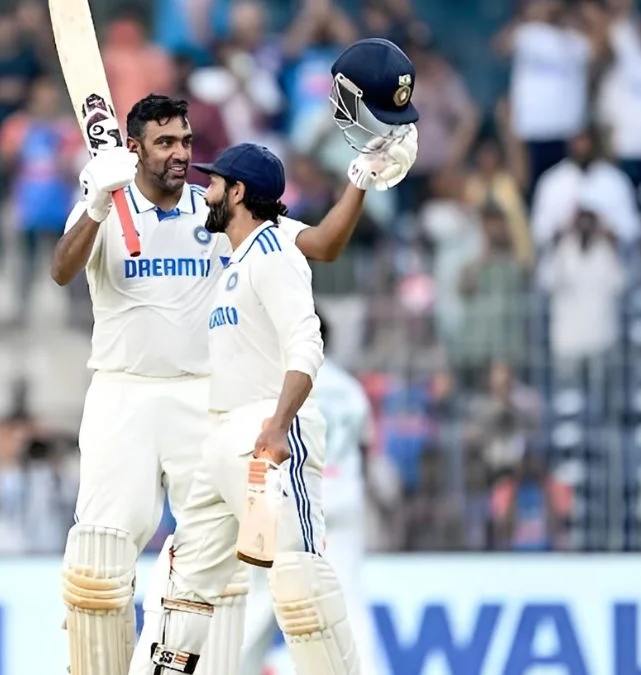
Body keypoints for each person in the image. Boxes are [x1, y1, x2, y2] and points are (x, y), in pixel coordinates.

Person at [54, 38, 419, 675]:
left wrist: (359, 177)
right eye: (165, 143)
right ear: (134, 147)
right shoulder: (107, 203)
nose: (180, 155)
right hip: (122, 391)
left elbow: (315, 246)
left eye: (186, 143)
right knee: (100, 565)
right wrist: (90, 204)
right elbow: (60, 272)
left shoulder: (222, 215)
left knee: (218, 580)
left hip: (207, 400)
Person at [131, 143, 355, 675]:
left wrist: (278, 426)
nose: (204, 191)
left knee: (300, 581)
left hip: (265, 435)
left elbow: (307, 344)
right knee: (186, 584)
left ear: (236, 192)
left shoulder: (275, 250)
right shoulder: (240, 254)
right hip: (221, 441)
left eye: (214, 184)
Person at [238, 314, 380, 675]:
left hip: (294, 495)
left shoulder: (289, 384)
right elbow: (366, 448)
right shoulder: (351, 389)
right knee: (347, 597)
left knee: (266, 597)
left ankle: (236, 667)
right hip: (344, 496)